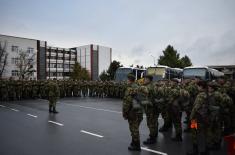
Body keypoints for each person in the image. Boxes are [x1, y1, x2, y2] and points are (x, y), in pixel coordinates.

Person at [122, 73, 143, 151]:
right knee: (135, 128)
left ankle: (136, 145)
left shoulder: (130, 88)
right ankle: (134, 142)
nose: (126, 81)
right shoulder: (138, 87)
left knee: (134, 129)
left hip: (133, 112)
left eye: (127, 80)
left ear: (130, 80)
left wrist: (125, 113)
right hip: (138, 111)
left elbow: (127, 102)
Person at [142, 75, 158, 145]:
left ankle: (152, 138)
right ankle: (153, 135)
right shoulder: (153, 86)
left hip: (150, 108)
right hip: (153, 107)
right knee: (154, 123)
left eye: (145, 79)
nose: (144, 80)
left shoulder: (149, 87)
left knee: (151, 123)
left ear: (149, 80)